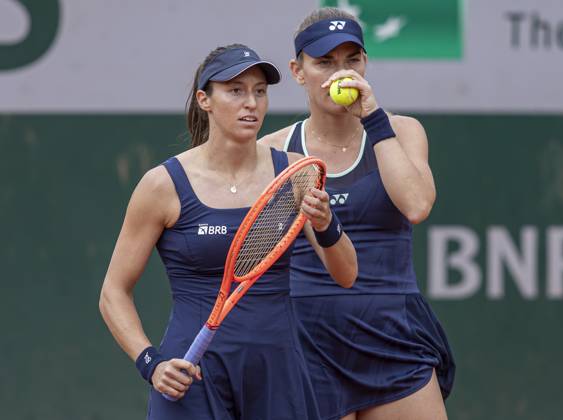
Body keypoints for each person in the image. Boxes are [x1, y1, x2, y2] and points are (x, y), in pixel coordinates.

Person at [99, 43, 357, 420]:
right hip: (191, 374)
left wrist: (325, 223)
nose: (251, 103)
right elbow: (113, 293)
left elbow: (347, 274)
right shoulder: (162, 185)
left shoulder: (295, 173)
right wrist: (151, 363)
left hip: (276, 372)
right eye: (235, 91)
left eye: (260, 91)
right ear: (204, 99)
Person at [259, 8, 455, 420]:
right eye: (325, 62)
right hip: (309, 341)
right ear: (297, 71)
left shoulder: (401, 130)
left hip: (394, 334)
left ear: (365, 63)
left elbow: (417, 205)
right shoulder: (273, 150)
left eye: (352, 60)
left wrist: (374, 119)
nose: (340, 73)